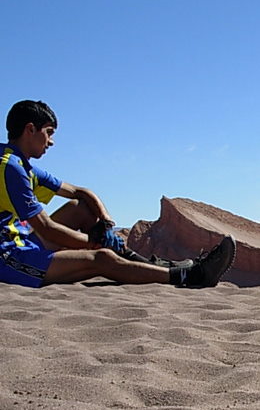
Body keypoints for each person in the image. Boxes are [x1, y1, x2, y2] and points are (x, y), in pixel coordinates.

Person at [0, 100, 235, 288]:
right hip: (7, 257)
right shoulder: (11, 168)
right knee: (102, 259)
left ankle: (151, 265)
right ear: (30, 129)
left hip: (21, 240)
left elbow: (81, 193)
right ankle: (190, 276)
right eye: (49, 133)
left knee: (79, 209)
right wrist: (96, 242)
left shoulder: (20, 163)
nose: (51, 142)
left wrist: (105, 223)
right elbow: (46, 229)